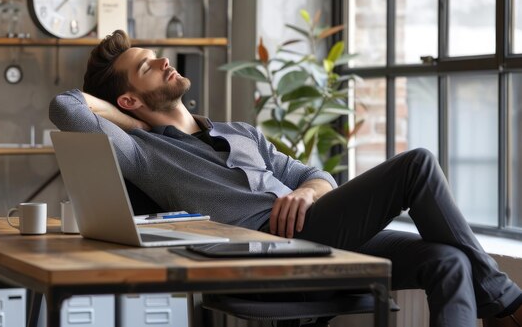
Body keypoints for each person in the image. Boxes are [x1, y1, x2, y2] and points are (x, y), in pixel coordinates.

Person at [50, 30, 522, 327]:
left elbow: (316, 174)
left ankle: (499, 309)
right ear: (128, 100)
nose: (161, 62)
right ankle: (508, 303)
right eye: (145, 67)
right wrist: (131, 122)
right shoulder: (143, 152)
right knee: (416, 164)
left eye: (155, 55)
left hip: (316, 232)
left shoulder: (241, 132)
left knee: (447, 261)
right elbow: (66, 107)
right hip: (266, 250)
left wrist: (307, 191)